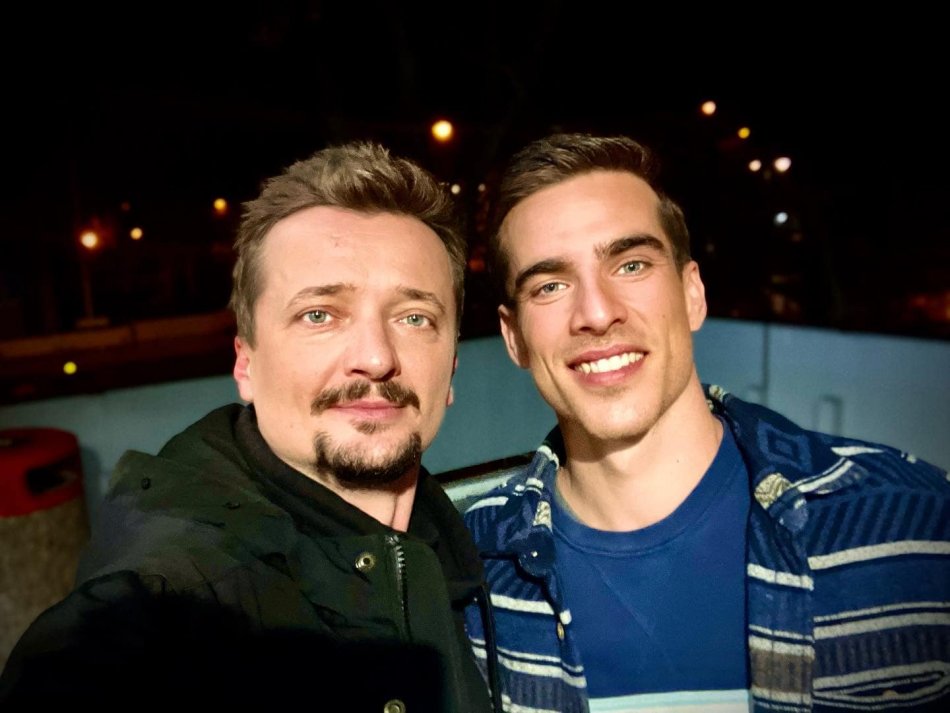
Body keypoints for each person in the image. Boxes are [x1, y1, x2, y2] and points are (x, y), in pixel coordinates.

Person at [0, 141, 501, 712]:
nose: (375, 356)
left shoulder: (471, 553)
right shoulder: (172, 610)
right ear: (245, 364)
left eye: (414, 317)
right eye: (319, 315)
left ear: (451, 368)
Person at [462, 132, 950, 713]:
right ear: (514, 338)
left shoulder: (914, 524)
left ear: (692, 292)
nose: (596, 312)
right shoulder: (471, 573)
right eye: (550, 286)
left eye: (631, 264)